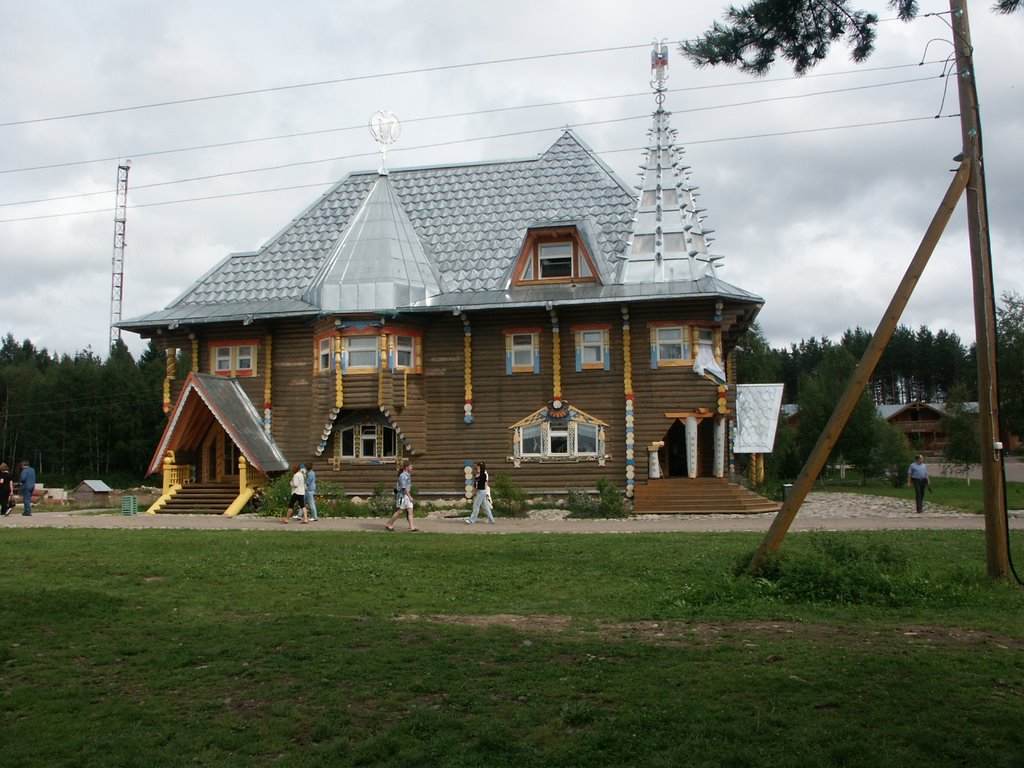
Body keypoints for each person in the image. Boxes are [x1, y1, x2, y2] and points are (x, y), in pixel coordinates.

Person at [385, 458, 418, 531]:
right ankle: (389, 524)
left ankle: (412, 527)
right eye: (411, 466)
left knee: (410, 510)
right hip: (402, 496)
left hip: (406, 496)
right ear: (407, 467)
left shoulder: (407, 475)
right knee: (400, 512)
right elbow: (404, 488)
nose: (412, 467)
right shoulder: (403, 476)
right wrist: (410, 497)